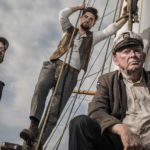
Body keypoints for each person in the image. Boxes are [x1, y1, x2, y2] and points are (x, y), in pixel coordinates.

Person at [20, 2, 128, 148]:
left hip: (71, 73)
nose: (88, 21)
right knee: (40, 88)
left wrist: (125, 16)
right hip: (54, 65)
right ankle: (33, 126)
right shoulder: (68, 30)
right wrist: (79, 7)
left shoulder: (92, 37)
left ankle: (38, 143)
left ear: (94, 23)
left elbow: (110, 30)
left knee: (55, 110)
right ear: (81, 18)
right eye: (86, 17)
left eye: (91, 20)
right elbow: (63, 14)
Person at [69, 31, 150, 150]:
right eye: (126, 52)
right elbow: (96, 111)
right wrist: (121, 129)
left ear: (143, 56)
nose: (132, 55)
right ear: (116, 60)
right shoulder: (107, 81)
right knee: (80, 123)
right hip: (121, 145)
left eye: (136, 50)